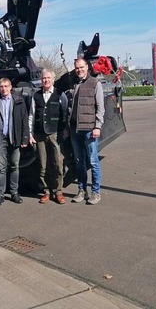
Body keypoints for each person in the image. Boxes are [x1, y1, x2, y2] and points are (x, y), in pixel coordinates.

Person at [0, 78, 29, 207]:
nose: (3, 88)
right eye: (1, 86)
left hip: (14, 138)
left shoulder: (18, 101)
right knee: (1, 168)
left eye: (6, 86)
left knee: (15, 166)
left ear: (11, 87)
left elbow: (24, 121)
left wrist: (24, 138)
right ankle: (0, 194)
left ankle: (14, 192)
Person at [68, 57, 105, 205]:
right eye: (77, 68)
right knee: (79, 162)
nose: (79, 70)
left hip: (89, 129)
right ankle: (82, 190)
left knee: (93, 161)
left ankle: (96, 192)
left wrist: (97, 126)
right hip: (75, 129)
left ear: (87, 67)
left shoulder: (95, 83)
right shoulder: (75, 84)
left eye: (82, 67)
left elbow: (100, 107)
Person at [29, 69, 68, 204]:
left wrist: (63, 133)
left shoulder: (60, 94)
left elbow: (65, 115)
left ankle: (58, 191)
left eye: (48, 78)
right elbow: (31, 116)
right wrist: (30, 134)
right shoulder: (36, 95)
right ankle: (46, 191)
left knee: (57, 163)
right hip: (39, 135)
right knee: (42, 165)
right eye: (44, 78)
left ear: (53, 79)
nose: (46, 80)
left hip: (55, 134)